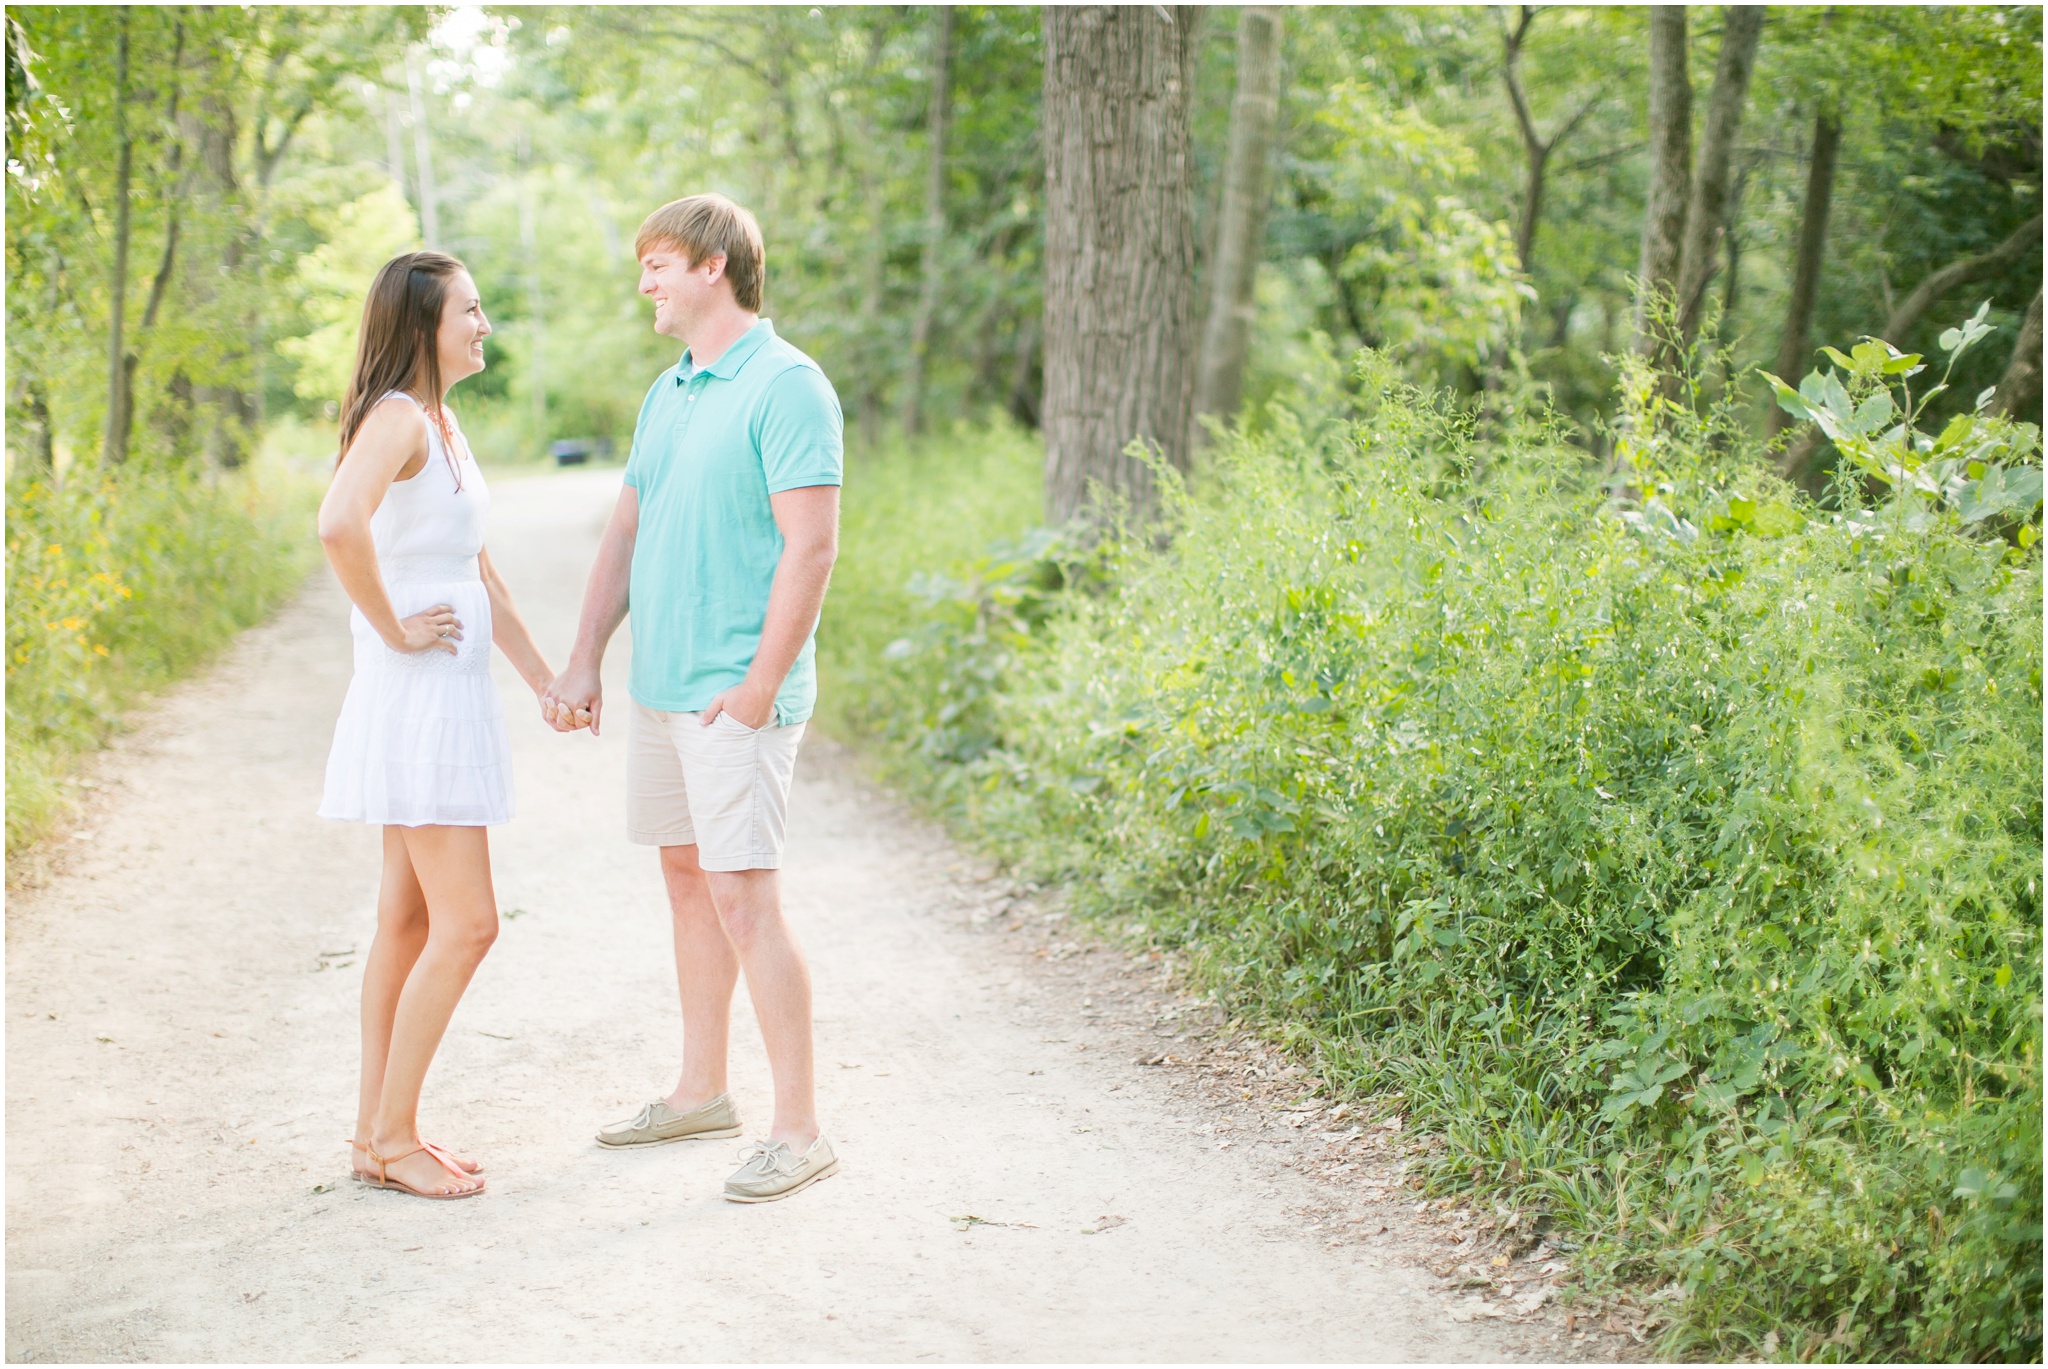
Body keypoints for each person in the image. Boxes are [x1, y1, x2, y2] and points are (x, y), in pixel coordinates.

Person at [543, 193, 844, 1204]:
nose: (645, 284)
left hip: (733, 696)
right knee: (684, 879)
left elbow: (812, 546)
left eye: (658, 264)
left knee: (743, 896)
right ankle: (700, 1088)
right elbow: (625, 532)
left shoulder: (787, 384)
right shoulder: (667, 389)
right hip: (660, 690)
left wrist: (759, 688)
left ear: (713, 264)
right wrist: (585, 655)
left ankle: (799, 1128)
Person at [317, 251, 557, 1200]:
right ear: (424, 322)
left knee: (410, 918)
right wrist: (393, 627)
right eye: (472, 309)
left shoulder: (443, 422)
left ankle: (377, 1132)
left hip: (444, 692)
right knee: (470, 923)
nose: (485, 323)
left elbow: (478, 571)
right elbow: (339, 523)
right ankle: (392, 1130)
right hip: (418, 694)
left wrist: (544, 679)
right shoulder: (398, 417)